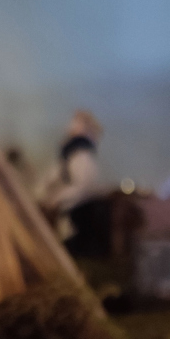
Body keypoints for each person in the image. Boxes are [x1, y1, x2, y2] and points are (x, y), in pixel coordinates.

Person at [36, 109, 112, 257]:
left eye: (77, 123)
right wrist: (42, 195)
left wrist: (56, 200)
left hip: (78, 210)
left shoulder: (82, 156)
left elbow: (81, 187)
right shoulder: (69, 154)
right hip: (67, 204)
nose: (70, 126)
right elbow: (51, 177)